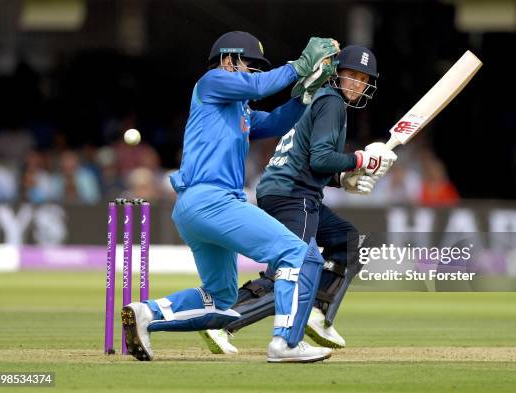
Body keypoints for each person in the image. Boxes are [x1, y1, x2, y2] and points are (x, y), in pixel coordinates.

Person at [121, 31, 392, 363]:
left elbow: (278, 121)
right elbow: (259, 87)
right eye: (249, 65)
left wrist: (304, 95)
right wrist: (302, 64)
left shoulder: (240, 113)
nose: (253, 72)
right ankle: (285, 343)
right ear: (227, 59)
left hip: (196, 207)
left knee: (221, 299)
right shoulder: (211, 82)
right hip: (214, 201)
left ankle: (147, 313)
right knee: (298, 253)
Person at [198, 45, 397, 354]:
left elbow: (310, 161)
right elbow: (321, 159)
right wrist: (359, 162)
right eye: (351, 76)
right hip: (294, 194)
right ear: (336, 74)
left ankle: (316, 311)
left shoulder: (322, 100)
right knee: (291, 268)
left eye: (363, 79)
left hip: (290, 191)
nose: (357, 84)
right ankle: (223, 321)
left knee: (348, 241)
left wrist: (344, 179)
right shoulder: (331, 102)